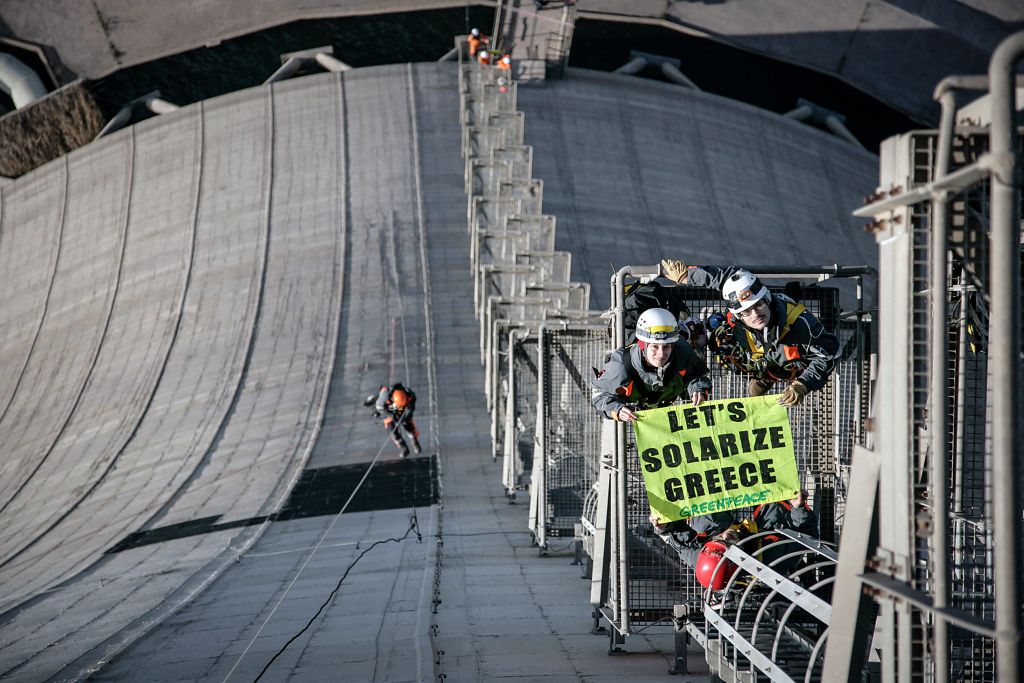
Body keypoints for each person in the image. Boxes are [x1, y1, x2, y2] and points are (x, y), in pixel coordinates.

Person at [661, 259, 840, 406]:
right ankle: (762, 373)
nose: (756, 315)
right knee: (722, 339)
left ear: (767, 299)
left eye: (759, 305)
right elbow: (723, 278)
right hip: (755, 346)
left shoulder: (802, 326)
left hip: (786, 354)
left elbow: (829, 354)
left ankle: (769, 375)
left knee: (784, 353)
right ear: (739, 314)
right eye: (746, 312)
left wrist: (804, 384)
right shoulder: (743, 290)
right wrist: (687, 276)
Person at [591, 307, 712, 422]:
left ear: (673, 345)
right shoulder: (621, 366)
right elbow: (599, 395)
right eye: (654, 347)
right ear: (643, 345)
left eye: (666, 347)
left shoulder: (682, 352)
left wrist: (698, 389)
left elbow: (696, 375)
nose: (661, 354)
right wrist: (617, 410)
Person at [752, 489, 819, 575]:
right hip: (780, 500)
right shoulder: (790, 558)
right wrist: (798, 508)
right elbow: (811, 536)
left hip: (768, 500)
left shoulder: (788, 559)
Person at [364, 383, 421, 457]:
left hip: (402, 408)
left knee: (408, 425)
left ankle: (415, 442)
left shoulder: (409, 394)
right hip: (389, 411)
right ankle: (403, 447)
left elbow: (412, 403)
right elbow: (379, 415)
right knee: (393, 432)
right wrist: (391, 416)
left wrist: (408, 412)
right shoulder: (382, 401)